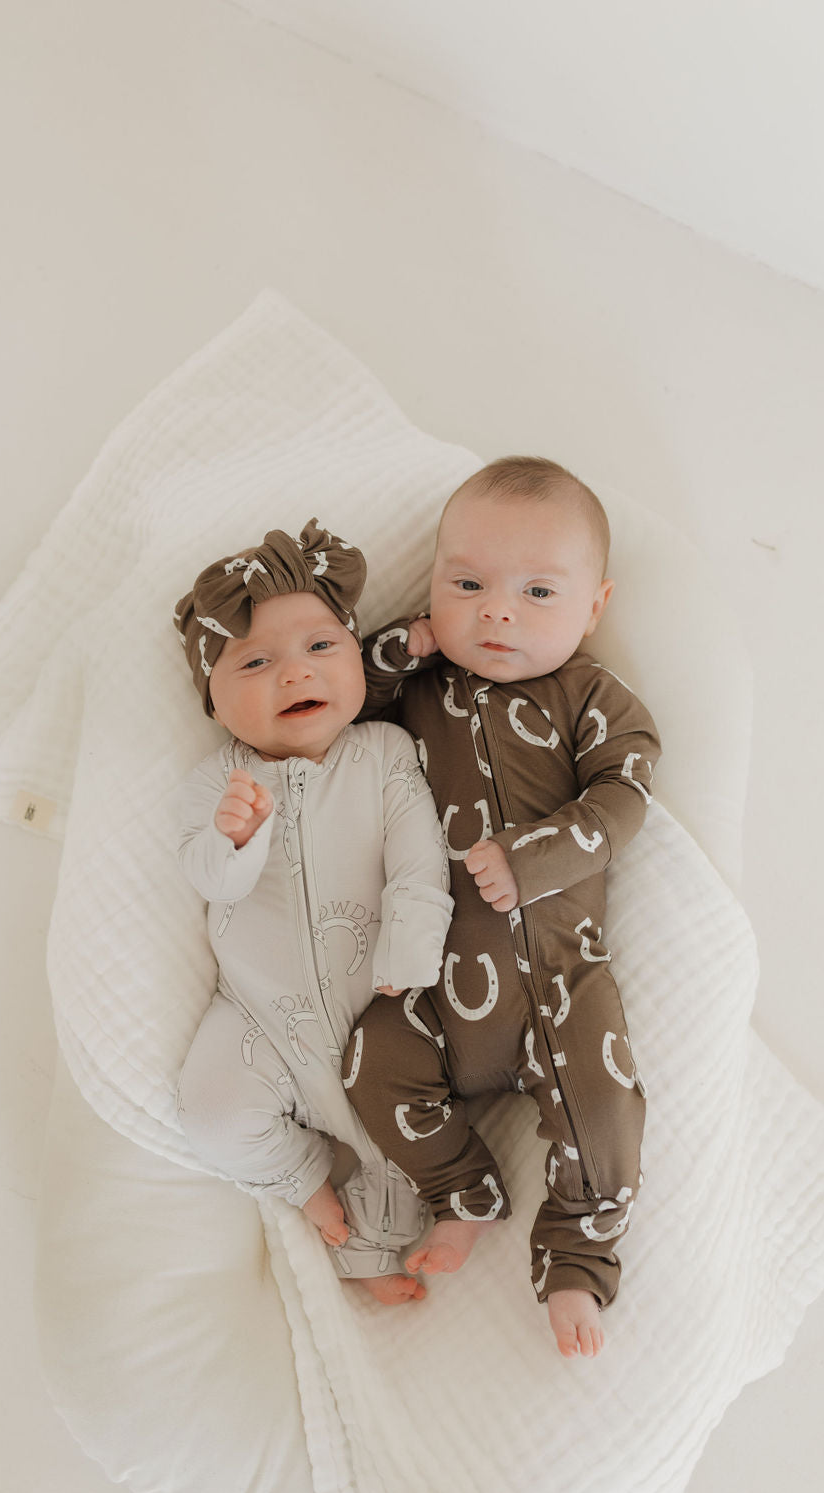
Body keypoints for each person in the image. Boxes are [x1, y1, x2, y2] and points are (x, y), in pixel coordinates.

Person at [343, 457, 661, 1354]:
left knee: (604, 1110)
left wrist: (536, 856)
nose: (496, 611)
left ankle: (577, 1255)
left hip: (560, 981)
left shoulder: (592, 698)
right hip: (429, 981)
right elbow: (335, 709)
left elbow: (623, 797)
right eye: (468, 583)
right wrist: (393, 653)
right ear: (434, 585)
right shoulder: (414, 695)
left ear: (593, 607)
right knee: (371, 1062)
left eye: (536, 592)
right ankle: (464, 1190)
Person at [171, 519, 454, 1305]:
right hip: (258, 1013)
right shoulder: (218, 781)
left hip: (381, 1002)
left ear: (358, 660)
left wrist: (412, 951)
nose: (293, 673)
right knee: (211, 1112)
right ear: (215, 701)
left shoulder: (384, 756)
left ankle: (374, 1249)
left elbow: (419, 860)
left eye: (320, 649)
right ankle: (302, 1179)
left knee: (403, 1134)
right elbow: (209, 879)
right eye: (255, 662)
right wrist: (237, 837)